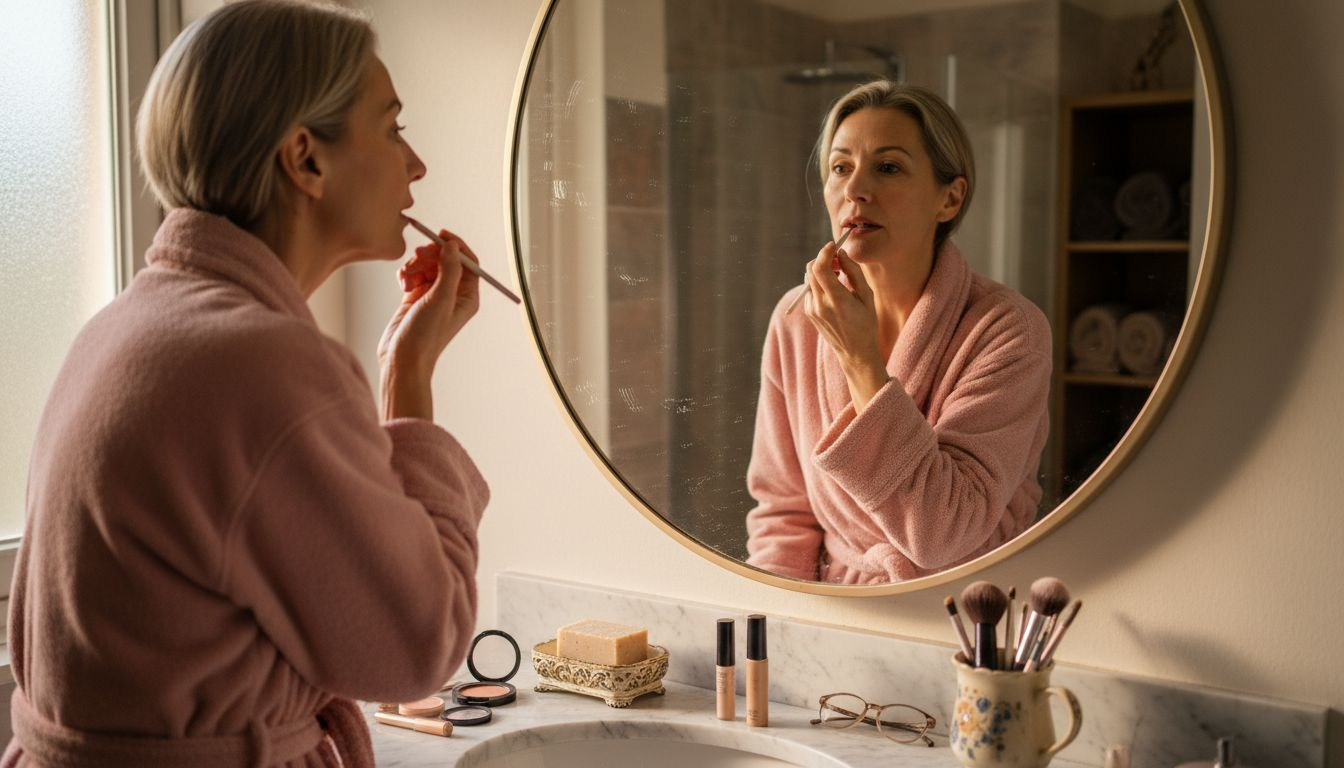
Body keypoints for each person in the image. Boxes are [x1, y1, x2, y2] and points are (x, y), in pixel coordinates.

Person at [4, 2, 490, 765]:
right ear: (306, 159)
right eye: (392, 127)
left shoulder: (124, 328)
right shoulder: (264, 366)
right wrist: (412, 384)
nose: (416, 164)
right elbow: (415, 646)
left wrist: (400, 366)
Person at [744, 82, 1051, 584]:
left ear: (949, 199)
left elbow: (943, 533)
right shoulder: (797, 318)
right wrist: (782, 624)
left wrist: (860, 359)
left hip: (961, 612)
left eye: (887, 168)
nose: (854, 190)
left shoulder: (1007, 330)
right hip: (835, 609)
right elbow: (783, 511)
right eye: (840, 167)